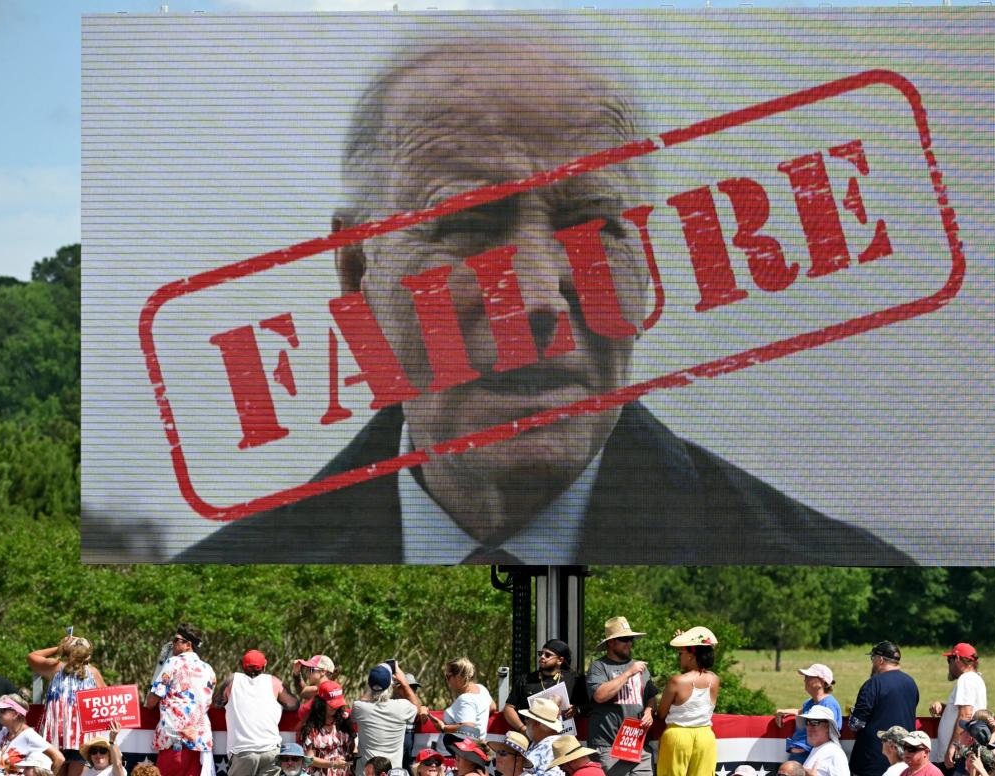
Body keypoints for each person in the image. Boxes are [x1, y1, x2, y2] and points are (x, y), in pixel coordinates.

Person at [174, 31, 915, 566]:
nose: (536, 296)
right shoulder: (220, 575)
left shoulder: (820, 559)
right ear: (355, 276)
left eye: (593, 228)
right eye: (468, 226)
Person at [587, 617, 658, 776]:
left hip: (638, 745)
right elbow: (599, 695)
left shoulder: (640, 667)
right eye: (624, 639)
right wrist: (628, 673)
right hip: (608, 746)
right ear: (611, 643)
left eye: (630, 639)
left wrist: (649, 712)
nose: (629, 643)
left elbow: (651, 697)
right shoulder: (599, 667)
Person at [28, 636, 107, 776]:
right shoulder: (92, 673)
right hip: (80, 738)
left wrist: (59, 648)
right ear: (87, 654)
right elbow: (107, 699)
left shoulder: (55, 667)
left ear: (67, 651)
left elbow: (32, 656)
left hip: (56, 735)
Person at [213, 650, 299, 776]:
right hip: (271, 751)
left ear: (243, 666)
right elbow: (293, 704)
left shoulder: (232, 681)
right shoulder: (274, 682)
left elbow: (216, 703)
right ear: (264, 666)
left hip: (243, 752)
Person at [146, 624, 216, 776]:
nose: (172, 644)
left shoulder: (173, 662)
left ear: (188, 645)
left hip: (175, 740)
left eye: (176, 640)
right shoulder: (208, 669)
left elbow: (150, 702)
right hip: (199, 742)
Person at [849, 642, 920, 776]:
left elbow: (855, 724)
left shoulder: (873, 684)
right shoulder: (911, 683)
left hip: (872, 761)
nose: (872, 662)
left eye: (873, 658)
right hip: (904, 760)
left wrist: (853, 715)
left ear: (880, 660)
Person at [657, 627, 720, 776]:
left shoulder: (676, 681)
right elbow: (701, 652)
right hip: (705, 736)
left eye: (681, 653)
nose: (679, 656)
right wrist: (685, 643)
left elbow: (661, 714)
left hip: (678, 736)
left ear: (691, 656)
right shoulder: (714, 679)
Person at [352, 662, 427, 772]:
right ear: (391, 685)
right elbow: (418, 709)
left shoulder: (359, 707)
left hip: (366, 772)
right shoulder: (403, 707)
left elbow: (365, 698)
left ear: (369, 685)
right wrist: (404, 682)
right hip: (393, 772)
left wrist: (374, 680)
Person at [503, 641, 588, 738]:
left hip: (563, 739)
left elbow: (588, 705)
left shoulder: (575, 680)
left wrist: (577, 709)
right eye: (541, 654)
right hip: (532, 739)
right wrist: (523, 729)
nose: (542, 657)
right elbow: (509, 708)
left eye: (547, 655)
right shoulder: (526, 679)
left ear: (560, 660)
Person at [929, 645, 987, 774]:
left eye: (949, 659)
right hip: (965, 752)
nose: (948, 664)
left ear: (958, 659)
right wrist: (944, 708)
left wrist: (953, 747)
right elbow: (964, 711)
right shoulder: (975, 679)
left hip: (959, 754)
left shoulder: (966, 679)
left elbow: (966, 714)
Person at [778, 664, 842, 765]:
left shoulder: (829, 704)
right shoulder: (809, 702)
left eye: (808, 677)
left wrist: (808, 752)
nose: (805, 680)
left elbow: (831, 732)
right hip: (799, 755)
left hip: (810, 757)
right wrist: (782, 711)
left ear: (822, 682)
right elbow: (802, 712)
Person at [0, 695, 65, 774]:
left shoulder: (29, 735)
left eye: (3, 710)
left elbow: (59, 758)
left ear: (15, 714)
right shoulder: (4, 731)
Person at [299, 680, 356, 776]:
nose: (336, 708)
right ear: (321, 703)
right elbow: (309, 759)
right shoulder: (312, 727)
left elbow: (353, 748)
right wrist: (332, 764)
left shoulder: (344, 721)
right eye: (332, 704)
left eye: (338, 704)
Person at [442, 659, 495, 739]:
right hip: (477, 746)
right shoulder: (481, 688)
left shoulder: (465, 699)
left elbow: (468, 728)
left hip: (454, 750)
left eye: (448, 676)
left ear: (458, 677)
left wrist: (443, 728)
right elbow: (493, 707)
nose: (447, 680)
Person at [519, 698, 565, 776]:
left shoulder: (548, 747)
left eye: (528, 718)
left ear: (536, 723)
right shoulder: (544, 743)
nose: (525, 721)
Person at [800, 707, 849, 776]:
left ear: (827, 727)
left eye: (814, 722)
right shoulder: (817, 749)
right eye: (807, 722)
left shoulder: (835, 753)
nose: (809, 727)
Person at [293, 656, 338, 724]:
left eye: (311, 669)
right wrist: (297, 673)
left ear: (323, 671)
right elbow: (303, 691)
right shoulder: (321, 689)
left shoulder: (329, 691)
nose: (307, 673)